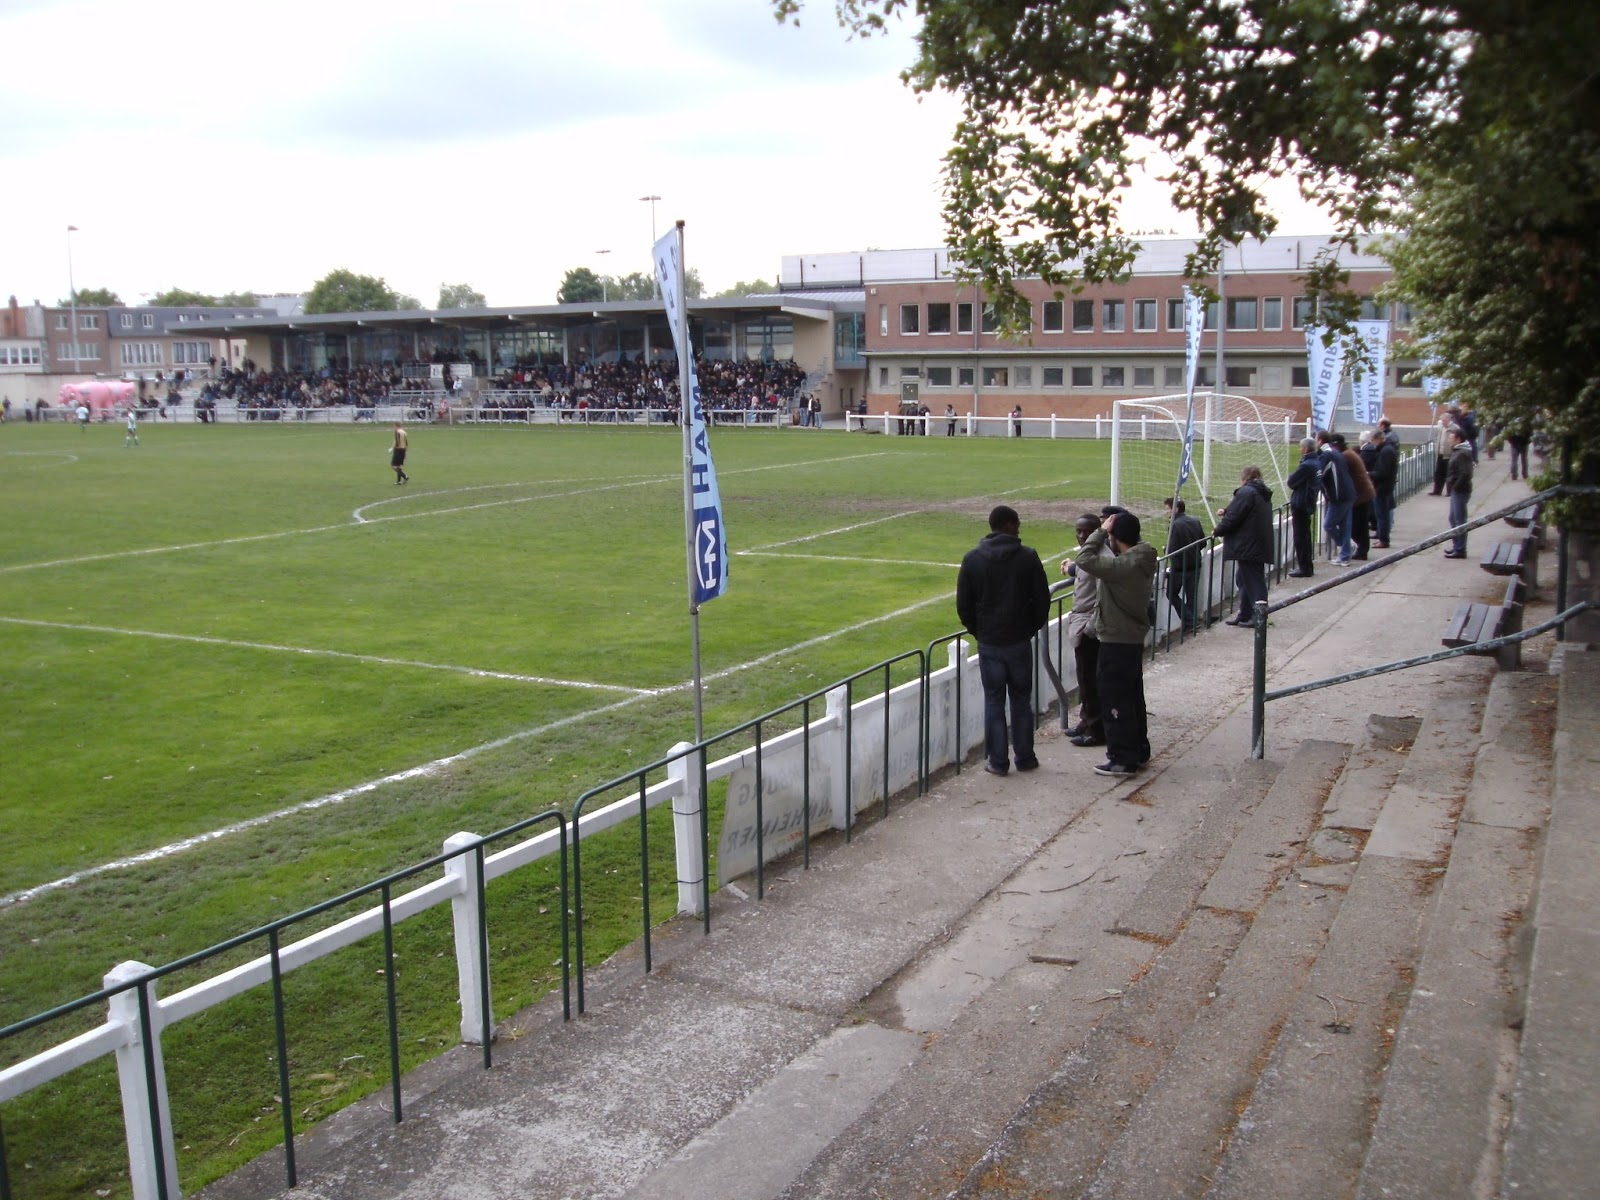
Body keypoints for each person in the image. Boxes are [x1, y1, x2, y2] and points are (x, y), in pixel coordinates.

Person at [956, 504, 1051, 775]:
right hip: (1017, 640)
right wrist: (1028, 628)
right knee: (1021, 700)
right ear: (1008, 524)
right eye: (1017, 522)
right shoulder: (1027, 557)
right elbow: (1042, 600)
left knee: (994, 701)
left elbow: (964, 606)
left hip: (991, 642)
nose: (1020, 526)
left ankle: (998, 762)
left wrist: (980, 631)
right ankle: (1025, 757)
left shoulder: (973, 559)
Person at [1074, 511, 1158, 777]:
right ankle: (1137, 749)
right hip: (1130, 637)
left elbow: (1084, 559)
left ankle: (1122, 757)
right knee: (1132, 697)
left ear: (1115, 537)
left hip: (1116, 639)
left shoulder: (1123, 567)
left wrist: (1099, 530)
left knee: (1115, 698)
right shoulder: (1142, 556)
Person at [1060, 513, 1106, 747]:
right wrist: (1071, 567)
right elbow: (1082, 571)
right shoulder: (1088, 556)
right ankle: (1086, 720)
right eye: (1078, 531)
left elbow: (1102, 596)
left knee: (1090, 678)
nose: (1081, 536)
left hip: (1090, 628)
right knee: (1085, 678)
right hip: (1084, 625)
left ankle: (1096, 729)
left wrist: (1088, 629)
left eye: (1086, 532)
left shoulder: (1100, 557)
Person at [1213, 465, 1275, 626]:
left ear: (1245, 477)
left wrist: (1218, 530)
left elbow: (1235, 516)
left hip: (1249, 545)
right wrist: (1227, 511)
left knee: (1254, 580)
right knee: (1242, 578)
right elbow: (1246, 512)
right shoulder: (1260, 492)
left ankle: (1259, 616)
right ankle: (1245, 613)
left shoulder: (1247, 492)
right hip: (1256, 543)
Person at [1162, 497, 1205, 633]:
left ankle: (1190, 621)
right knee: (1191, 595)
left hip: (1180, 567)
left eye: (1168, 509)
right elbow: (1203, 543)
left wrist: (1165, 550)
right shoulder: (1195, 521)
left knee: (1171, 593)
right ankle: (1190, 623)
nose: (1167, 512)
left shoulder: (1174, 525)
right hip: (1196, 564)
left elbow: (1172, 549)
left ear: (1176, 509)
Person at [1333, 433, 1375, 560]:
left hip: (1360, 494)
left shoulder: (1346, 456)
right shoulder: (1349, 454)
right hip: (1362, 492)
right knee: (1360, 524)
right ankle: (1361, 550)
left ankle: (1360, 550)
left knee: (1359, 525)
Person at [1285, 437, 1321, 578]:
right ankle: (1306, 566)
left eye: (1301, 447)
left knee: (1301, 536)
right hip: (1307, 502)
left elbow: (1291, 482)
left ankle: (1304, 567)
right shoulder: (1316, 462)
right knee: (1304, 535)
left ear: (1305, 449)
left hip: (1301, 503)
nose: (1299, 450)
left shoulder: (1307, 465)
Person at [1317, 431, 1355, 565]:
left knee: (1328, 525)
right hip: (1348, 493)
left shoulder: (1327, 455)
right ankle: (1345, 556)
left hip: (1339, 496)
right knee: (1345, 525)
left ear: (1320, 441)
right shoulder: (1336, 453)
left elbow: (1320, 474)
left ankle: (1347, 547)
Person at [1443, 426, 1475, 557]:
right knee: (1453, 518)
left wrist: (1455, 486)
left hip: (1461, 490)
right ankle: (1457, 545)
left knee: (1459, 519)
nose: (1449, 440)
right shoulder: (1459, 451)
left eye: (1451, 438)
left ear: (1458, 439)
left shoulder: (1463, 453)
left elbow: (1465, 473)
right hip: (1457, 489)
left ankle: (1460, 549)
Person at [1368, 428, 1399, 548]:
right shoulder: (1387, 449)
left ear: (1377, 439)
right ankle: (1382, 536)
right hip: (1385, 486)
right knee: (1382, 514)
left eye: (1372, 440)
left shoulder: (1386, 451)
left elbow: (1383, 472)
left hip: (1383, 487)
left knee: (1382, 514)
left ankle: (1383, 539)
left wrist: (1370, 474)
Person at [1430, 410, 1454, 495]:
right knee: (1438, 473)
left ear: (1448, 420)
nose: (1442, 422)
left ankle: (1450, 491)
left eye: (1444, 420)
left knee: (1448, 473)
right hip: (1440, 453)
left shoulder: (1454, 428)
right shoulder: (1440, 428)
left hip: (1449, 454)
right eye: (1442, 420)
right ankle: (1437, 490)